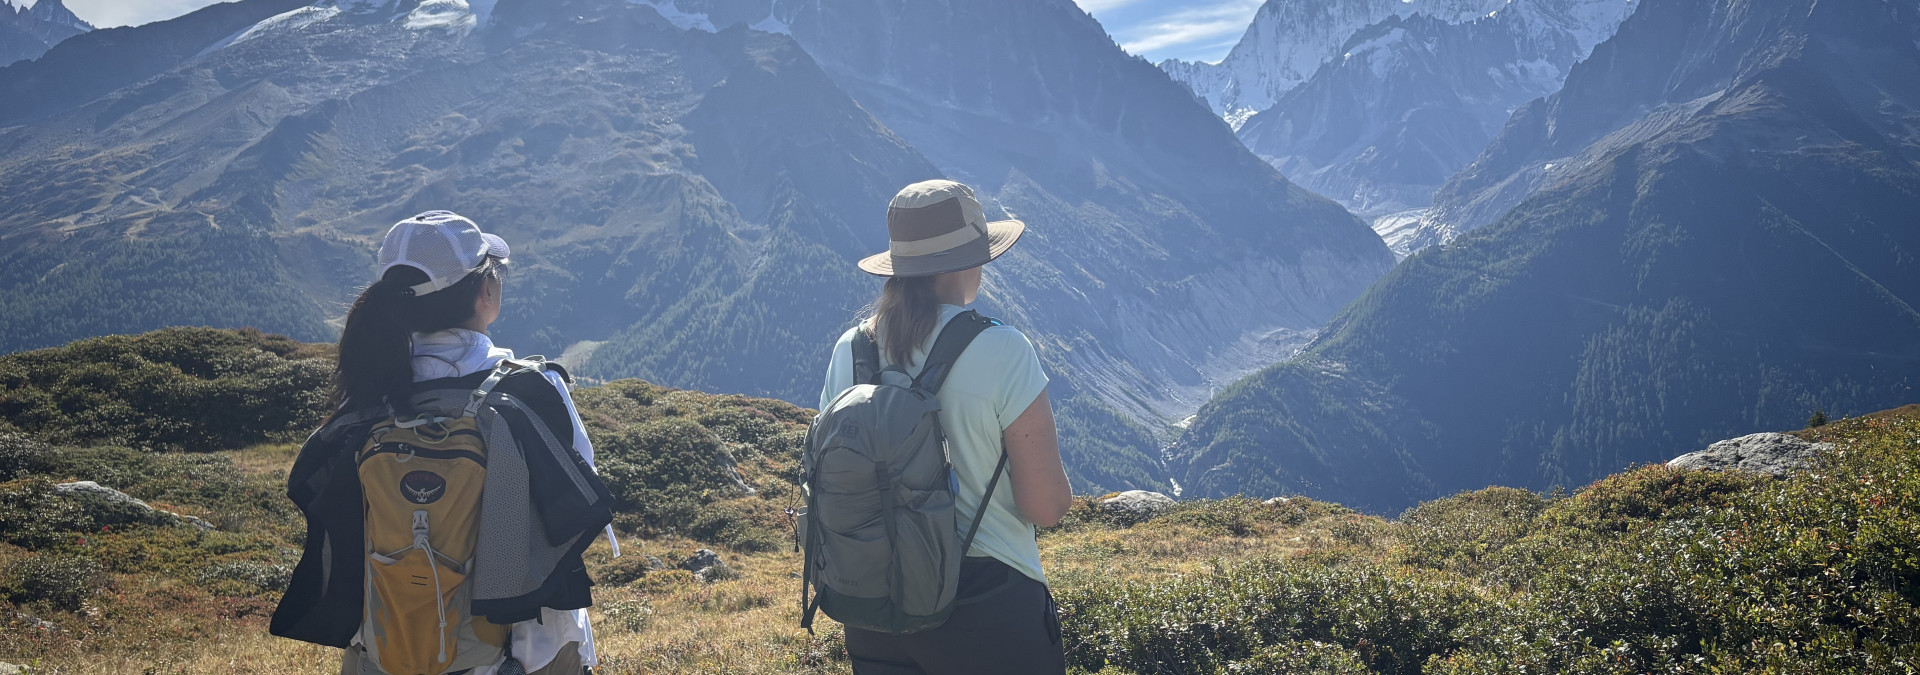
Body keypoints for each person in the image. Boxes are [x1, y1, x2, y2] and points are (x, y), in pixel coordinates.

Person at [327, 211, 612, 675]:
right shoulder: (531, 389)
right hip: (524, 649)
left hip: (388, 640)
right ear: (485, 293)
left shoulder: (366, 395)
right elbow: (577, 497)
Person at [817, 180, 1073, 674]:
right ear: (968, 260)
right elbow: (1045, 507)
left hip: (873, 608)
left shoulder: (851, 350)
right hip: (988, 607)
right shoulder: (1003, 349)